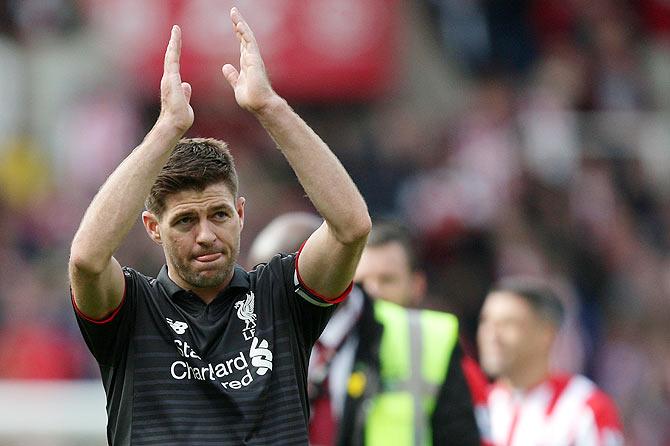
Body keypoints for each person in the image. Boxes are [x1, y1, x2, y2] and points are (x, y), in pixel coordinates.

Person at [68, 8, 371, 445]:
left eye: (220, 215)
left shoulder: (281, 299)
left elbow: (351, 227)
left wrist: (270, 106)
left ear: (241, 214)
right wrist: (165, 131)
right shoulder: (133, 309)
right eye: (185, 221)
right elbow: (86, 259)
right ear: (153, 229)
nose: (206, 235)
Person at [348, 221, 481, 446]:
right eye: (361, 282)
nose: (373, 291)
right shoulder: (326, 345)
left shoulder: (439, 342)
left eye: (387, 280)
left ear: (417, 286)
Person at [476, 277, 624, 445]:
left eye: (508, 324)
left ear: (546, 334)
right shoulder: (477, 405)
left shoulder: (584, 408)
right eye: (485, 321)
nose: (491, 335)